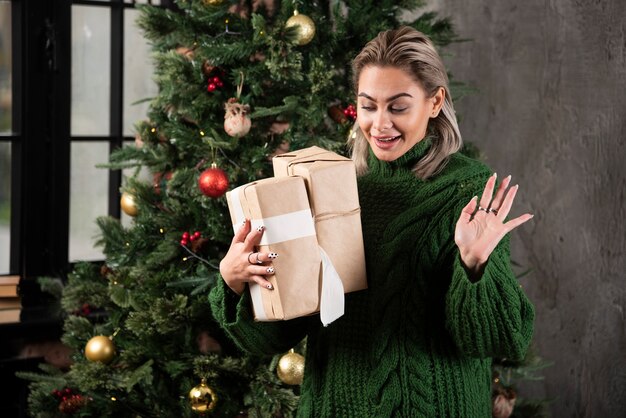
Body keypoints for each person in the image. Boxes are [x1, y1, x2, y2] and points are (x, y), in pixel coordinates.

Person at [210, 26, 535, 417]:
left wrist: (475, 264)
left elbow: (498, 339)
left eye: (398, 107)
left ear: (435, 102)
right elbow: (273, 336)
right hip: (332, 407)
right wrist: (234, 282)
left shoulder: (468, 189)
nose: (380, 124)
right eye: (368, 106)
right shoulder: (329, 187)